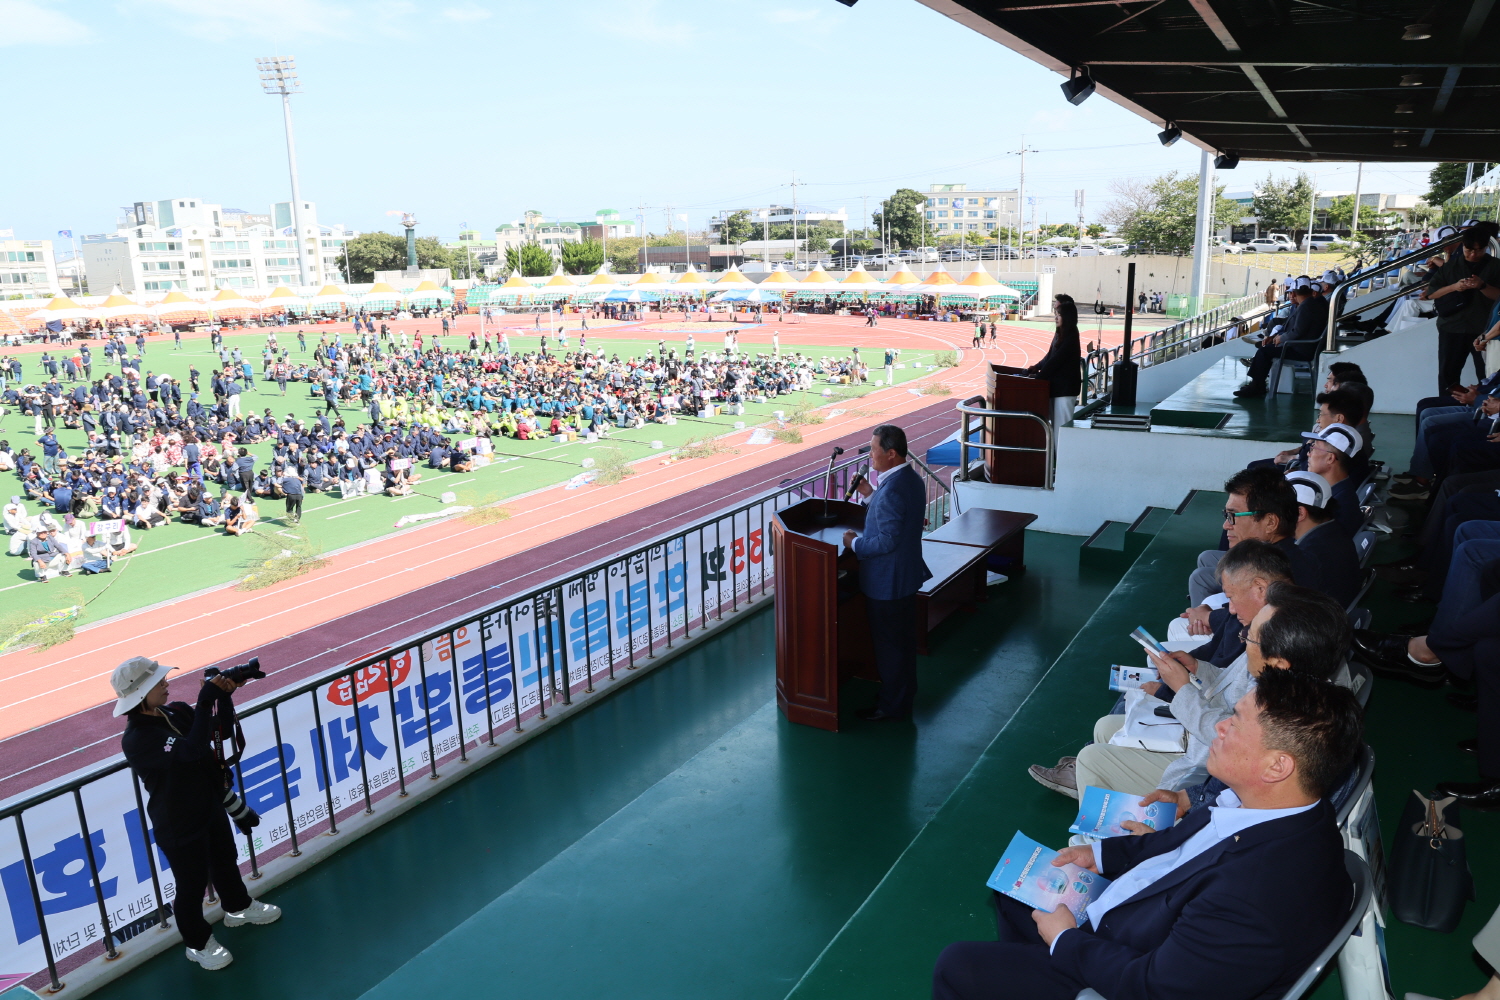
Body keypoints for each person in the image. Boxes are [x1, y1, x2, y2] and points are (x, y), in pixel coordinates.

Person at [936, 669, 1362, 1000]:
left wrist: (1066, 942)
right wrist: (1100, 857)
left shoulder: (1253, 902)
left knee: (957, 965)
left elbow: (1154, 988)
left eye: (1236, 721)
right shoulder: (1275, 806)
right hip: (1143, 921)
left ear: (1277, 766)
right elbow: (1174, 845)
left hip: (1131, 969)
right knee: (1014, 891)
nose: (1219, 727)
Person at [114, 656, 282, 971]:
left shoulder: (175, 710)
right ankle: (198, 944)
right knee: (191, 886)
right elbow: (191, 751)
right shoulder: (137, 739)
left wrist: (223, 698)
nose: (166, 684)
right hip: (178, 823)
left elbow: (219, 732)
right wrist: (205, 703)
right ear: (139, 695)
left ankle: (237, 908)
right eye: (157, 683)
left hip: (208, 805)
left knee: (225, 860)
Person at [842, 424, 932, 721]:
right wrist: (870, 496)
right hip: (905, 578)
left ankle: (892, 708)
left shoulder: (893, 488)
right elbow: (895, 518)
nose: (870, 455)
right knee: (902, 645)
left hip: (887, 584)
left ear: (891, 454)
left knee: (891, 649)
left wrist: (854, 543)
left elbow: (886, 540)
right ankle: (903, 696)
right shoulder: (910, 478)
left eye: (873, 449)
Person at [1423, 221, 1500, 394]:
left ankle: (1484, 411)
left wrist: (1482, 286)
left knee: (1488, 375)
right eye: (1469, 250)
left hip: (1484, 328)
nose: (1473, 254)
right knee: (1447, 376)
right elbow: (1431, 294)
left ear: (1486, 247)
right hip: (1452, 327)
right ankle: (1444, 409)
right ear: (1463, 246)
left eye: (1478, 250)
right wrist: (1454, 287)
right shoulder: (1451, 266)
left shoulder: (1495, 267)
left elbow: (1498, 297)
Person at [1028, 293, 1082, 427]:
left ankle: (1060, 449)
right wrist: (1037, 367)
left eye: (1058, 312)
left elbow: (1056, 360)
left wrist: (1038, 378)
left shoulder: (1071, 335)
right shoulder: (1061, 332)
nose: (1055, 317)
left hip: (1065, 389)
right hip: (1056, 387)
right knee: (1055, 428)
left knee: (1061, 429)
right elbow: (1050, 355)